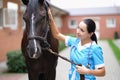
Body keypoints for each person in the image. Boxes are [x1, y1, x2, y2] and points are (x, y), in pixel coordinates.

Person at [48, 9, 106, 80]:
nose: (78, 31)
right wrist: (50, 18)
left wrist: (87, 71)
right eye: (78, 28)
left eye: (82, 30)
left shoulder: (95, 49)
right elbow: (57, 35)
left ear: (90, 34)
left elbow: (103, 72)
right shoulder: (75, 41)